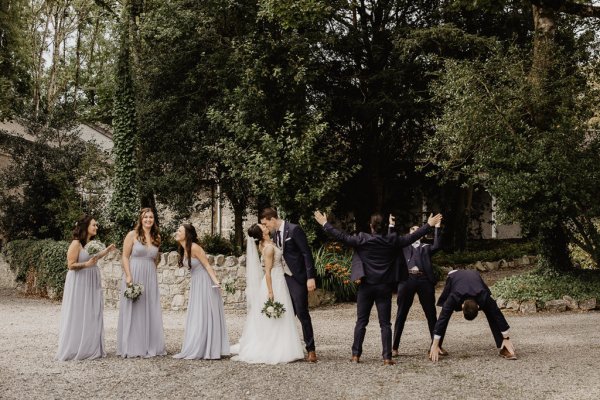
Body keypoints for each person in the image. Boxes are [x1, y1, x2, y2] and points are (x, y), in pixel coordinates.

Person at [314, 210, 442, 365]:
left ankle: (356, 355)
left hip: (366, 286)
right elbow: (412, 237)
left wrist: (324, 223)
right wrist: (429, 225)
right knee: (385, 324)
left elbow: (341, 236)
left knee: (361, 321)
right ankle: (387, 357)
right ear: (383, 227)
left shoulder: (362, 239)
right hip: (384, 287)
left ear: (371, 226)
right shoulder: (392, 240)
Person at [230, 223, 304, 364]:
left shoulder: (267, 243)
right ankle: (276, 346)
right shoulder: (269, 248)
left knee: (282, 313)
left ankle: (283, 344)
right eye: (262, 226)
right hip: (274, 281)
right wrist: (270, 291)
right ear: (261, 233)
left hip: (278, 279)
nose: (265, 226)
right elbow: (268, 272)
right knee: (278, 313)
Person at [259, 207, 318, 362]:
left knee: (302, 312)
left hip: (297, 278)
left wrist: (310, 277)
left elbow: (306, 253)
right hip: (282, 279)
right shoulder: (275, 235)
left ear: (272, 219)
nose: (266, 227)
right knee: (284, 314)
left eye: (266, 224)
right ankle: (284, 348)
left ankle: (311, 349)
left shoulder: (294, 230)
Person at [56, 215, 116, 361]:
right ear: (85, 227)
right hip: (79, 282)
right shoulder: (76, 244)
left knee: (92, 311)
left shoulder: (90, 244)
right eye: (94, 225)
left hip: (92, 281)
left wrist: (106, 251)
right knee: (79, 312)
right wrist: (86, 265)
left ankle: (90, 347)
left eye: (96, 225)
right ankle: (76, 347)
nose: (96, 227)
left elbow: (93, 258)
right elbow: (70, 265)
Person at [429, 269, 517, 362]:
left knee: (492, 313)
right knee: (446, 314)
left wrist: (506, 338)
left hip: (474, 276)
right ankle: (435, 347)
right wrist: (435, 344)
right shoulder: (453, 297)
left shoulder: (484, 297)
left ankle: (504, 347)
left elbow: (498, 315)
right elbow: (442, 319)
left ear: (478, 306)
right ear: (462, 306)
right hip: (454, 276)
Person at [389, 215, 447, 357]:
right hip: (406, 280)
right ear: (410, 234)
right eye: (414, 230)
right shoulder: (403, 247)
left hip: (424, 281)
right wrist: (391, 226)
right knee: (401, 313)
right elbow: (392, 242)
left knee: (431, 314)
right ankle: (394, 347)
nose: (417, 231)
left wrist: (437, 227)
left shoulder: (425, 247)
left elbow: (438, 245)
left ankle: (436, 345)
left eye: (418, 230)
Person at [173, 224, 230, 360]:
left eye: (179, 231)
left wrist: (216, 281)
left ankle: (208, 347)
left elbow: (206, 265)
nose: (177, 232)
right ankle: (198, 344)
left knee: (204, 312)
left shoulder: (194, 247)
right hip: (196, 283)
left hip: (205, 282)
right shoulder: (183, 248)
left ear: (187, 234)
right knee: (197, 313)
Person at [117, 208, 166, 358]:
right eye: (145, 217)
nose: (148, 220)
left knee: (150, 307)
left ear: (154, 220)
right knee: (135, 307)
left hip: (150, 276)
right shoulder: (132, 235)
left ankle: (149, 344)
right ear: (140, 219)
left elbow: (155, 259)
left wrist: (152, 272)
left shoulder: (156, 236)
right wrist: (128, 276)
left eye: (151, 217)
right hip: (135, 273)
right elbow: (125, 257)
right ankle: (133, 345)